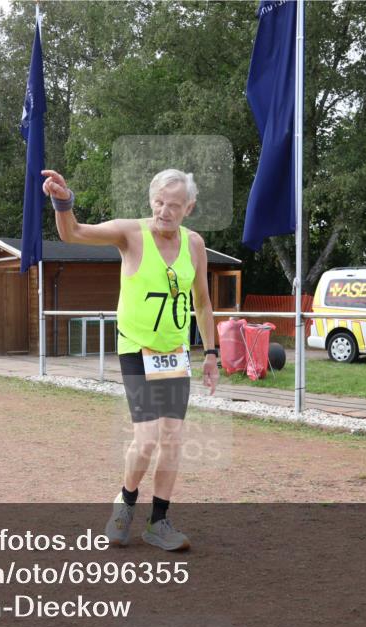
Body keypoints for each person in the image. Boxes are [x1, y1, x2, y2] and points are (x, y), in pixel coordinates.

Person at [42, 167, 219, 551]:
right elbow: (73, 233)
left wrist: (211, 353)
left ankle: (159, 522)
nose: (164, 211)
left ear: (188, 207)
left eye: (174, 205)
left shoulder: (195, 245)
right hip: (137, 350)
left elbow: (203, 303)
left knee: (172, 440)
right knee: (147, 439)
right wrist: (63, 201)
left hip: (174, 354)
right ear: (150, 200)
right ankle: (124, 503)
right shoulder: (131, 233)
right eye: (159, 202)